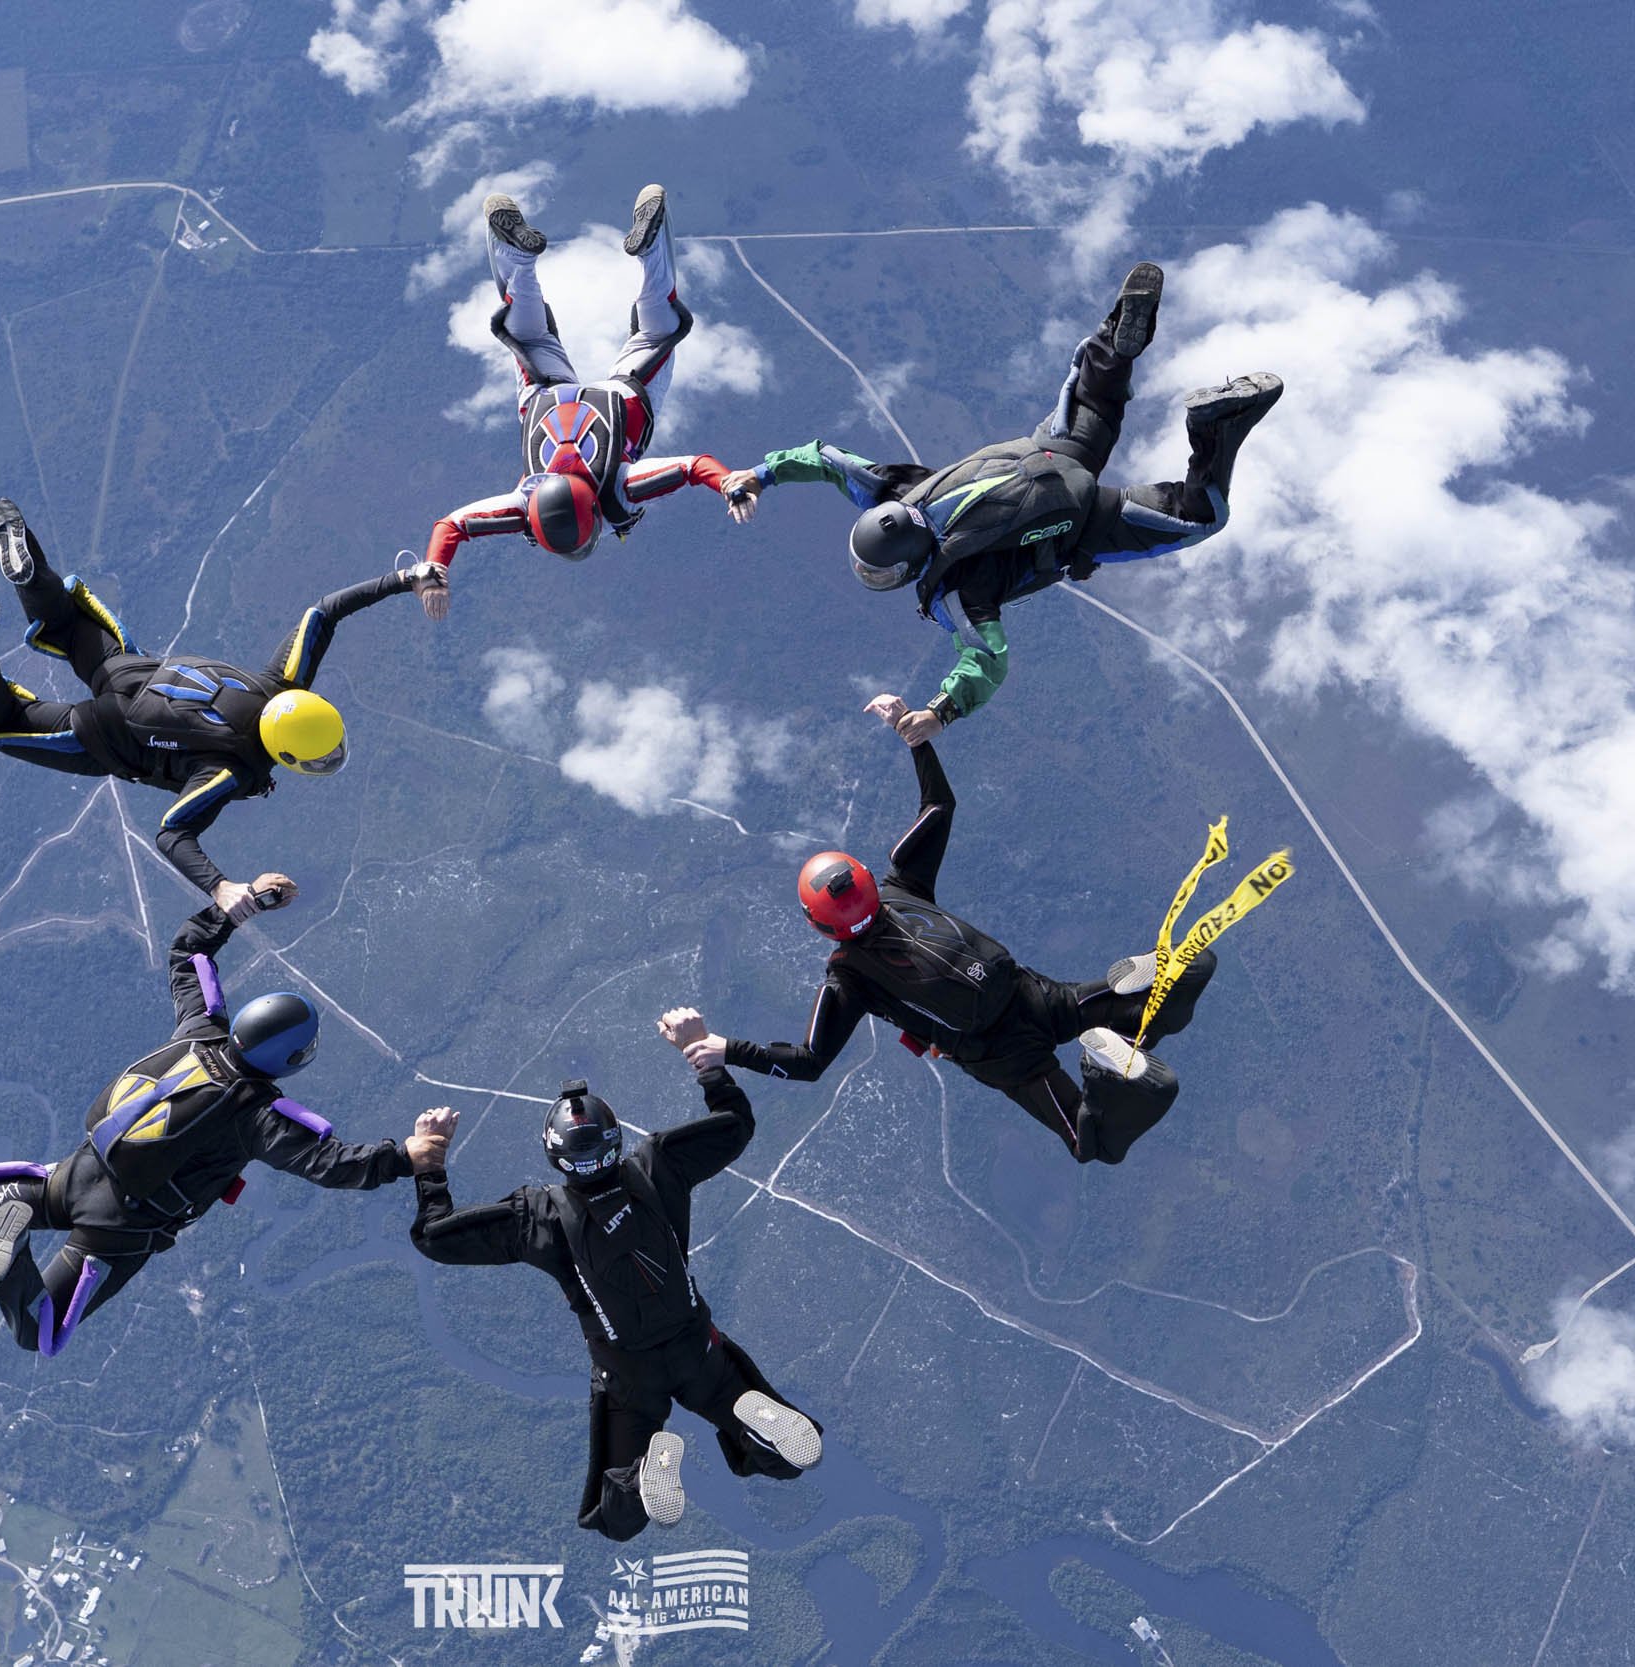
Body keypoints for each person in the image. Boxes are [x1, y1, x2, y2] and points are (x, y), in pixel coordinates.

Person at [721, 263, 1283, 741]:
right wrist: (760, 475)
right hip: (1050, 452)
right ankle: (1115, 339)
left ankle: (1217, 425)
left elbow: (987, 659)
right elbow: (828, 460)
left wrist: (941, 711)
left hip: (1083, 523)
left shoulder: (957, 589)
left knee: (1200, 517)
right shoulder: (896, 490)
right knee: (1093, 397)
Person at [0, 901, 448, 1355]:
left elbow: (187, 953)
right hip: (121, 1228)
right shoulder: (259, 1116)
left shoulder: (200, 1029)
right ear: (291, 1059)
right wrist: (410, 1155)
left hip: (78, 1172)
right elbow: (332, 1165)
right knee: (38, 1333)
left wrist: (240, 905)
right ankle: (15, 1256)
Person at [681, 703, 1215, 1165]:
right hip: (1029, 992)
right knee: (1121, 999)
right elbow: (939, 805)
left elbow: (808, 1064)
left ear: (820, 925)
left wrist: (728, 1050)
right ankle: (1158, 996)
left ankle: (1108, 1080)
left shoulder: (848, 979)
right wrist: (911, 735)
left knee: (1090, 1142)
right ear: (863, 880)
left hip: (1002, 1054)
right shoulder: (901, 886)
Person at [0, 498, 446, 916]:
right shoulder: (232, 769)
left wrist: (407, 578)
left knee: (62, 619)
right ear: (286, 753)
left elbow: (323, 612)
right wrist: (221, 887)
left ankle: (25, 569)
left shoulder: (281, 685)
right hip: (104, 734)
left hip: (131, 670)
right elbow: (171, 833)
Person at [408, 1010, 823, 1540]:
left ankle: (638, 1476)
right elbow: (736, 1125)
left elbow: (436, 1238)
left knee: (616, 1521)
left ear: (556, 1158)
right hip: (699, 1348)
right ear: (616, 1139)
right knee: (788, 1459)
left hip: (628, 1375)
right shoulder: (658, 1165)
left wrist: (430, 1159)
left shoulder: (539, 1217)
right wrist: (703, 1056)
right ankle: (753, 1431)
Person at [416, 185, 746, 618]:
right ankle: (517, 258)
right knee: (531, 335)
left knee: (657, 332)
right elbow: (452, 525)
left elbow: (693, 467)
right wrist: (434, 568)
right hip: (547, 397)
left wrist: (729, 485)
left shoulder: (623, 490)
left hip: (621, 402)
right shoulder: (523, 506)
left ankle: (651, 252)